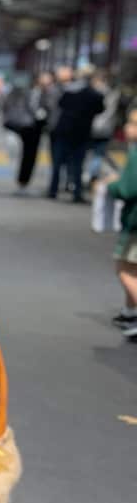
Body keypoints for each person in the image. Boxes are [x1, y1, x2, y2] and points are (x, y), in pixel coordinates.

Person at [49, 65, 106, 202]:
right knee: (78, 164)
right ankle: (77, 192)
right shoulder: (94, 94)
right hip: (82, 133)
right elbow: (100, 109)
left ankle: (53, 190)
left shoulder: (69, 92)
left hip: (64, 131)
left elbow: (60, 105)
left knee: (57, 163)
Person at [105, 107, 137, 339]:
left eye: (134, 123)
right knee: (133, 267)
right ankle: (129, 312)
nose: (127, 127)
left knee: (123, 269)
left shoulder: (136, 154)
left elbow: (127, 189)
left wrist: (111, 185)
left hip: (134, 222)